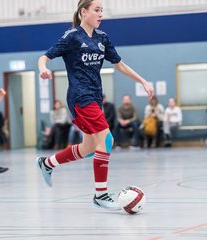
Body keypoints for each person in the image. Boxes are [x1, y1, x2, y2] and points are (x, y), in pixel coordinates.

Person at [36, 0, 153, 211]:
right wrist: (43, 68)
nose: (101, 14)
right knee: (107, 139)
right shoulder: (72, 36)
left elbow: (120, 65)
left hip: (95, 97)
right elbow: (45, 56)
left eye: (102, 11)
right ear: (84, 12)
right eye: (97, 10)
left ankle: (47, 163)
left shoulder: (102, 38)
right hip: (80, 97)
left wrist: (142, 80)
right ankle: (100, 194)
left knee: (88, 148)